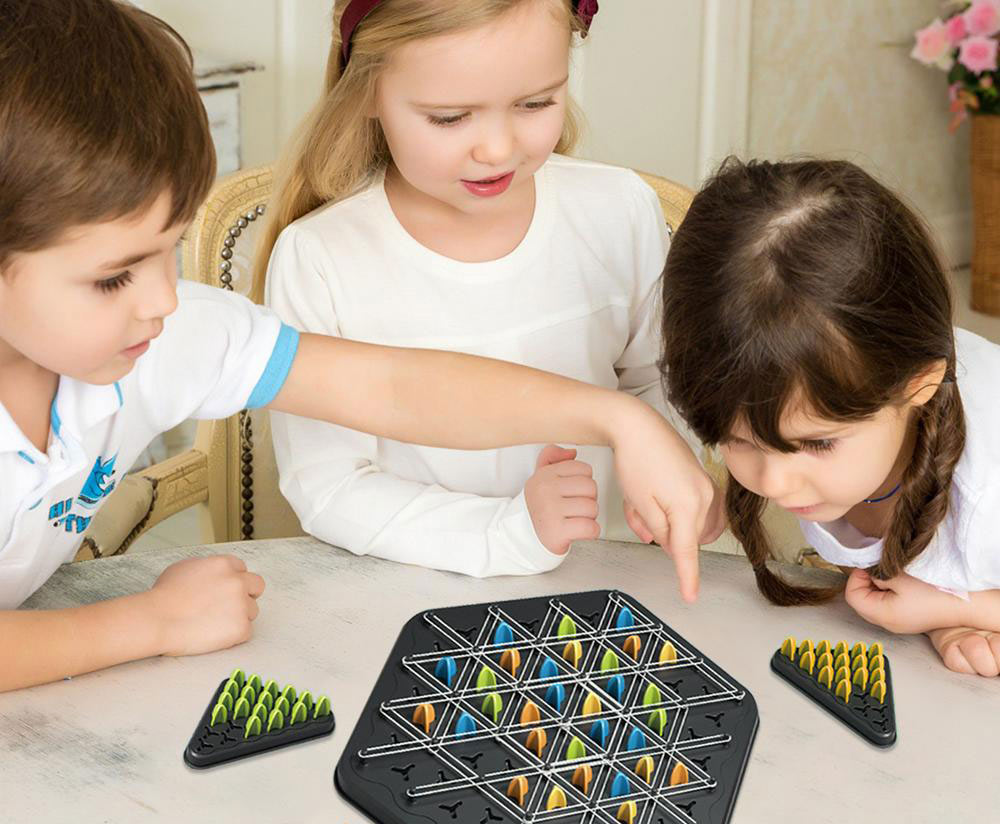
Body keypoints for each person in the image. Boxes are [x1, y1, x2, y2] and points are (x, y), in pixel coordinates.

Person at [0, 0, 716, 692]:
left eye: (171, 248)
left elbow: (395, 389)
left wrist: (623, 420)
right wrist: (149, 623)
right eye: (112, 277)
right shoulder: (298, 265)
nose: (164, 298)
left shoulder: (171, 336)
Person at [255, 0, 694, 576]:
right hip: (411, 591)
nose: (497, 150)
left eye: (535, 104)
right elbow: (330, 487)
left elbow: (661, 382)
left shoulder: (618, 210)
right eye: (450, 117)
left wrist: (674, 474)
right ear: (364, 92)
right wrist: (509, 532)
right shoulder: (321, 257)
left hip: (611, 580)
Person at [657, 156, 1000, 677]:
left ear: (919, 385)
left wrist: (957, 609)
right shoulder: (806, 397)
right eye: (737, 440)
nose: (775, 483)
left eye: (818, 444)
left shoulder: (987, 494)